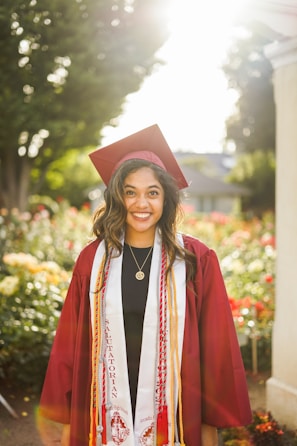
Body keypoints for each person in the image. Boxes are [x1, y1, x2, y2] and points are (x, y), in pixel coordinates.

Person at [39, 124, 252, 446]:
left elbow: (216, 348)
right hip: (104, 400)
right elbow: (72, 343)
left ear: (166, 197)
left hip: (179, 400)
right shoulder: (92, 261)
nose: (142, 203)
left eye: (152, 192)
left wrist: (210, 425)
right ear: (117, 197)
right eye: (130, 192)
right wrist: (70, 418)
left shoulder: (196, 259)